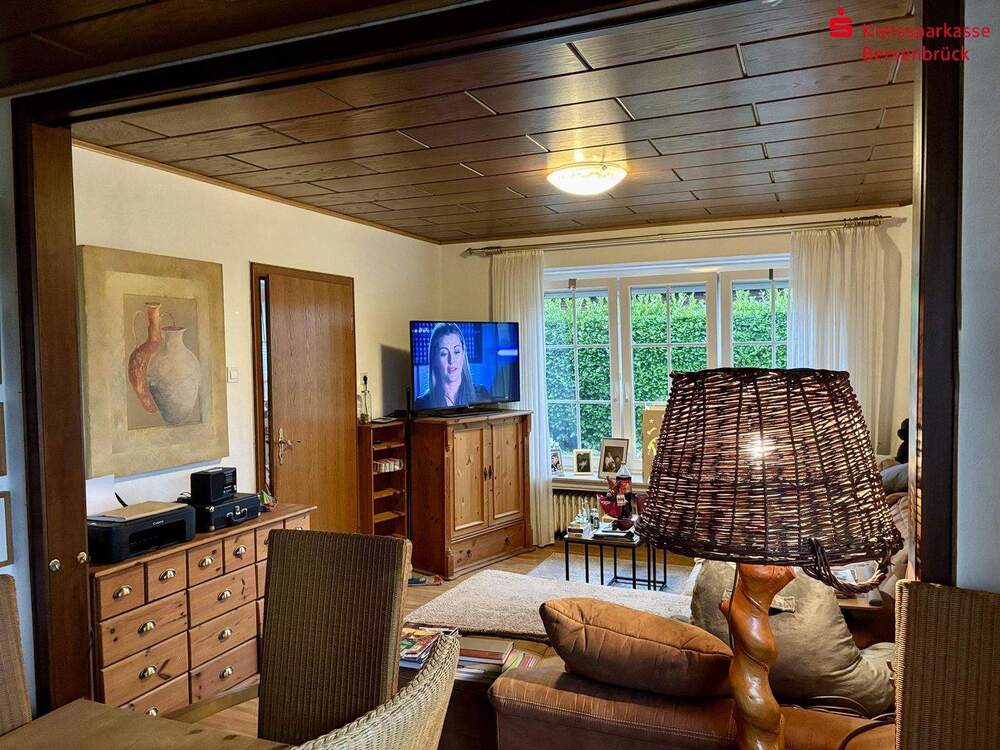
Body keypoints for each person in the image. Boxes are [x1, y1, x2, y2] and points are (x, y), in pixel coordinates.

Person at [414, 323, 492, 409]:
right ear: (434, 359)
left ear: (463, 354)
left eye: (456, 351)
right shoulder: (423, 403)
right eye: (444, 353)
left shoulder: (481, 394)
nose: (451, 360)